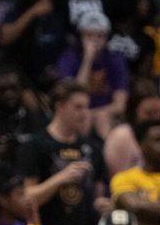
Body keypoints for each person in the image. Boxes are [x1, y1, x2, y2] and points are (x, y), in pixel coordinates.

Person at [18, 81, 108, 225]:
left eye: (87, 107)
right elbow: (27, 198)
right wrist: (61, 178)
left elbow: (99, 196)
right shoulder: (36, 146)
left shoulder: (93, 148)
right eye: (78, 107)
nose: (84, 113)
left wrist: (103, 205)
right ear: (60, 106)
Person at [55, 10, 128, 138]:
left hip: (104, 113)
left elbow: (120, 105)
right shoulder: (68, 58)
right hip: (77, 112)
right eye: (89, 36)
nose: (94, 40)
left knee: (102, 117)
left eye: (100, 36)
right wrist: (87, 59)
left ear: (107, 38)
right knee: (82, 116)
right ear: (81, 37)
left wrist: (96, 114)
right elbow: (75, 95)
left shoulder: (116, 60)